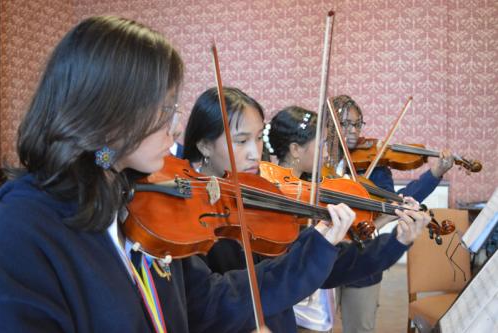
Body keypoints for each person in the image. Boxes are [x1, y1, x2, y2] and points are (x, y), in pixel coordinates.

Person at [0, 16, 356, 333]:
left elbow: (210, 305)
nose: (174, 128)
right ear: (107, 111)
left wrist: (315, 249)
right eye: (166, 109)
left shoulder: (131, 199)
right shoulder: (21, 230)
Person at [183, 88, 431, 333]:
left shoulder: (261, 199)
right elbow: (210, 305)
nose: (254, 154)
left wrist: (396, 241)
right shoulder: (185, 218)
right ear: (204, 146)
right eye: (241, 141)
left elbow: (326, 269)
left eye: (258, 138)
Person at [265, 106, 428, 333]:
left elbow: (342, 248)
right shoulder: (274, 198)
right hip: (294, 308)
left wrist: (384, 220)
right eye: (321, 145)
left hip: (316, 302)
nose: (325, 154)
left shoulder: (316, 189)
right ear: (295, 149)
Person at [328, 95, 455, 333]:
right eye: (345, 124)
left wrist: (434, 173)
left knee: (360, 327)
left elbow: (399, 201)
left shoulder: (375, 165)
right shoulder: (316, 162)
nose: (353, 131)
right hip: (322, 257)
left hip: (361, 253)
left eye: (357, 123)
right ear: (329, 126)